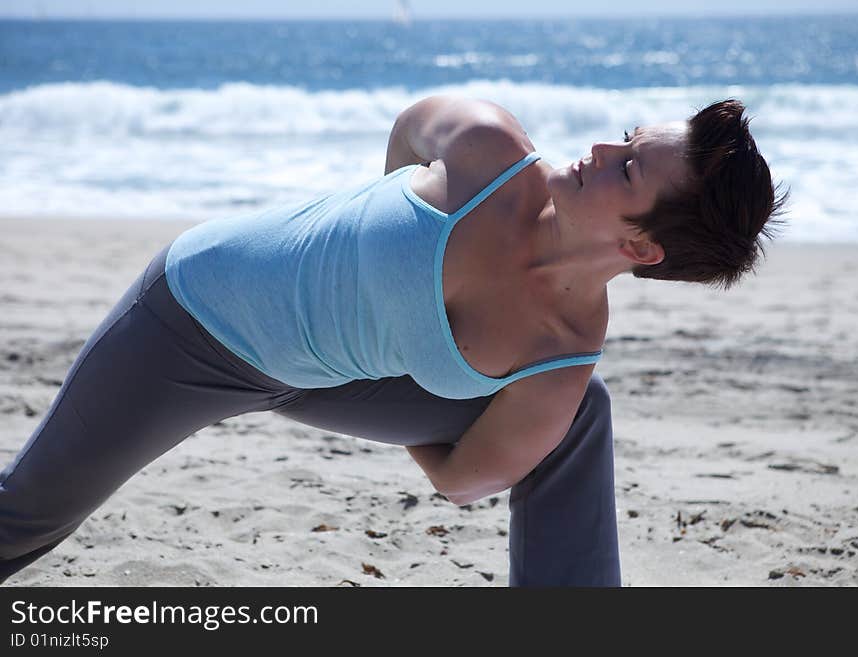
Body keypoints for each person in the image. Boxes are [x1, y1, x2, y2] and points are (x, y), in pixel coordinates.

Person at [0, 95, 787, 586]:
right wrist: (377, 246)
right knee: (31, 513)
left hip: (326, 373)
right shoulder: (486, 149)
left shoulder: (557, 358)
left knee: (579, 412)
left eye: (627, 171)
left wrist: (383, 354)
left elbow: (458, 479)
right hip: (196, 321)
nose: (602, 151)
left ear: (644, 249)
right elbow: (412, 127)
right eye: (624, 138)